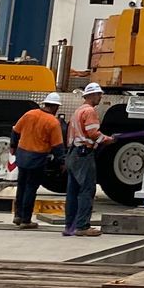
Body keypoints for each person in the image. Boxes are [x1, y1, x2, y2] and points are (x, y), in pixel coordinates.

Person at [10, 92, 64, 230]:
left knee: (21, 186)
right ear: (55, 107)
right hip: (37, 158)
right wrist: (62, 162)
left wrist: (13, 146)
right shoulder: (53, 122)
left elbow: (15, 131)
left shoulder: (29, 114)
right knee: (31, 188)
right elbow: (57, 146)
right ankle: (26, 220)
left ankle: (18, 215)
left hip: (22, 155)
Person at [63, 83, 109, 237]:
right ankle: (82, 226)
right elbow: (93, 133)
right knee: (87, 190)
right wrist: (108, 140)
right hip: (83, 154)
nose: (100, 97)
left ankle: (70, 226)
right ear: (91, 95)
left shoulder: (78, 111)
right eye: (98, 94)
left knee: (72, 191)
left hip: (73, 153)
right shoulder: (89, 111)